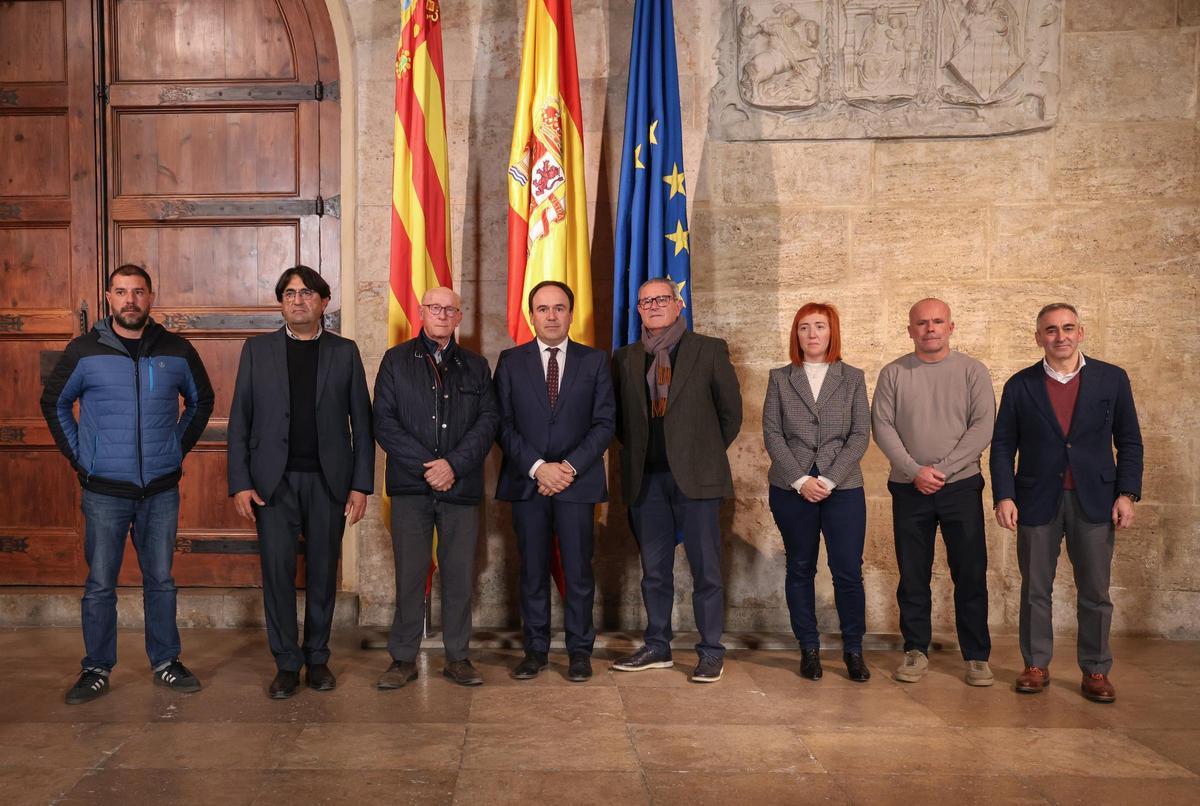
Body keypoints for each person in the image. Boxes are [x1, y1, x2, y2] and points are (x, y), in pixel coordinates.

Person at [41, 263, 214, 704]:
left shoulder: (176, 349)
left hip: (160, 490)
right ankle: (96, 667)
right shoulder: (84, 350)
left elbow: (201, 400)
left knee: (160, 579)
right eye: (121, 292)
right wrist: (82, 456)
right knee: (100, 583)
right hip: (104, 491)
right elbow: (54, 401)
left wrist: (174, 447)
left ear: (150, 297)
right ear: (108, 297)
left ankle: (166, 661)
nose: (130, 300)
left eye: (138, 292)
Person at [227, 266, 373, 699]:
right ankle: (287, 663)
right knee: (277, 573)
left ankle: (318, 658)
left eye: (307, 293)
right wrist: (240, 482)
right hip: (273, 484)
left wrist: (361, 485)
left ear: (324, 302)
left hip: (329, 483)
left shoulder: (344, 352)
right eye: (289, 294)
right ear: (280, 303)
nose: (298, 300)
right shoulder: (257, 351)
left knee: (324, 573)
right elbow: (240, 421)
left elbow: (362, 426)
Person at [991, 303, 1143, 703]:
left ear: (1082, 332)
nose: (1061, 336)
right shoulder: (1020, 385)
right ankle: (1035, 664)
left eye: (1068, 328)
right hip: (1035, 500)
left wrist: (1127, 493)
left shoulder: (1111, 379)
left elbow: (1129, 440)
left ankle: (1095, 669)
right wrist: (1004, 495)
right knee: (1035, 589)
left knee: (1095, 590)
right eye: (1051, 330)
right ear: (1038, 336)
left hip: (1095, 499)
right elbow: (1003, 446)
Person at [611, 278, 742, 683]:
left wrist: (697, 452)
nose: (653, 306)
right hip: (646, 480)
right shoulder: (625, 358)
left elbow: (730, 415)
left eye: (661, 299)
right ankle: (657, 645)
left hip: (697, 479)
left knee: (706, 570)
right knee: (654, 571)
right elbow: (619, 421)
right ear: (638, 309)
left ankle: (710, 651)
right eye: (645, 301)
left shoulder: (709, 350)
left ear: (678, 303)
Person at [373, 287, 499, 689]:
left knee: (460, 575)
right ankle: (403, 658)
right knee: (410, 575)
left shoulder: (477, 366)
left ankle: (458, 657)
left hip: (460, 488)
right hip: (411, 487)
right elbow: (384, 422)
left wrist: (453, 466)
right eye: (434, 307)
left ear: (458, 317)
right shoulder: (395, 361)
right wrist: (429, 467)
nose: (442, 314)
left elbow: (487, 422)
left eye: (450, 309)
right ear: (421, 312)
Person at [494, 281, 615, 683]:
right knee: (532, 570)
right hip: (528, 483)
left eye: (559, 308)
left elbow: (604, 424)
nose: (550, 315)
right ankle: (535, 651)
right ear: (531, 315)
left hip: (576, 484)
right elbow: (503, 424)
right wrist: (537, 467)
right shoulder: (510, 361)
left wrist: (566, 468)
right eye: (542, 309)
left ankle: (580, 652)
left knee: (579, 571)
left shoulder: (595, 361)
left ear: (570, 313)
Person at [872, 298, 995, 686]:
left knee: (970, 573)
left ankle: (976, 656)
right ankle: (915, 650)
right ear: (910, 330)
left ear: (951, 327)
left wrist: (939, 471)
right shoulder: (893, 373)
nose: (930, 328)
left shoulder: (973, 371)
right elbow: (883, 427)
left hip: (959, 486)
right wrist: (914, 471)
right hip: (909, 488)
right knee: (912, 574)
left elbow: (982, 428)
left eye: (937, 321)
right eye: (922, 323)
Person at [762, 302, 871, 683]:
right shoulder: (779, 378)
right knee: (800, 567)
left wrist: (828, 479)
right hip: (792, 489)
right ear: (796, 334)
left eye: (820, 327)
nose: (812, 334)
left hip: (842, 488)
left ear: (832, 332)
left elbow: (860, 435)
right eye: (804, 327)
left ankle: (853, 650)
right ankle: (808, 648)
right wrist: (800, 480)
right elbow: (772, 435)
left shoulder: (853, 377)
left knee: (847, 571)